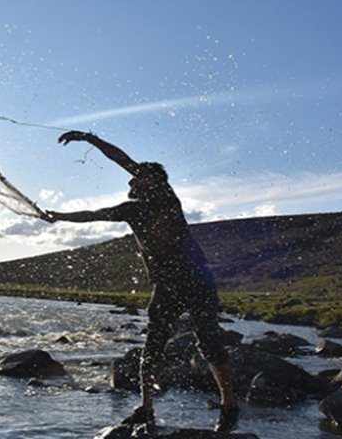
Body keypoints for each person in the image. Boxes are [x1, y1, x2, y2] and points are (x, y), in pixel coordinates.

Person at [42, 131, 239, 433]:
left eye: (138, 177)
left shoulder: (165, 196)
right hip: (165, 286)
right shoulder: (130, 210)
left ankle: (229, 407)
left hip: (196, 280)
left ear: (154, 180)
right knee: (152, 347)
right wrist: (60, 217)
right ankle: (146, 409)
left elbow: (122, 160)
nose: (131, 181)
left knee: (209, 343)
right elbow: (92, 215)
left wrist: (89, 139)